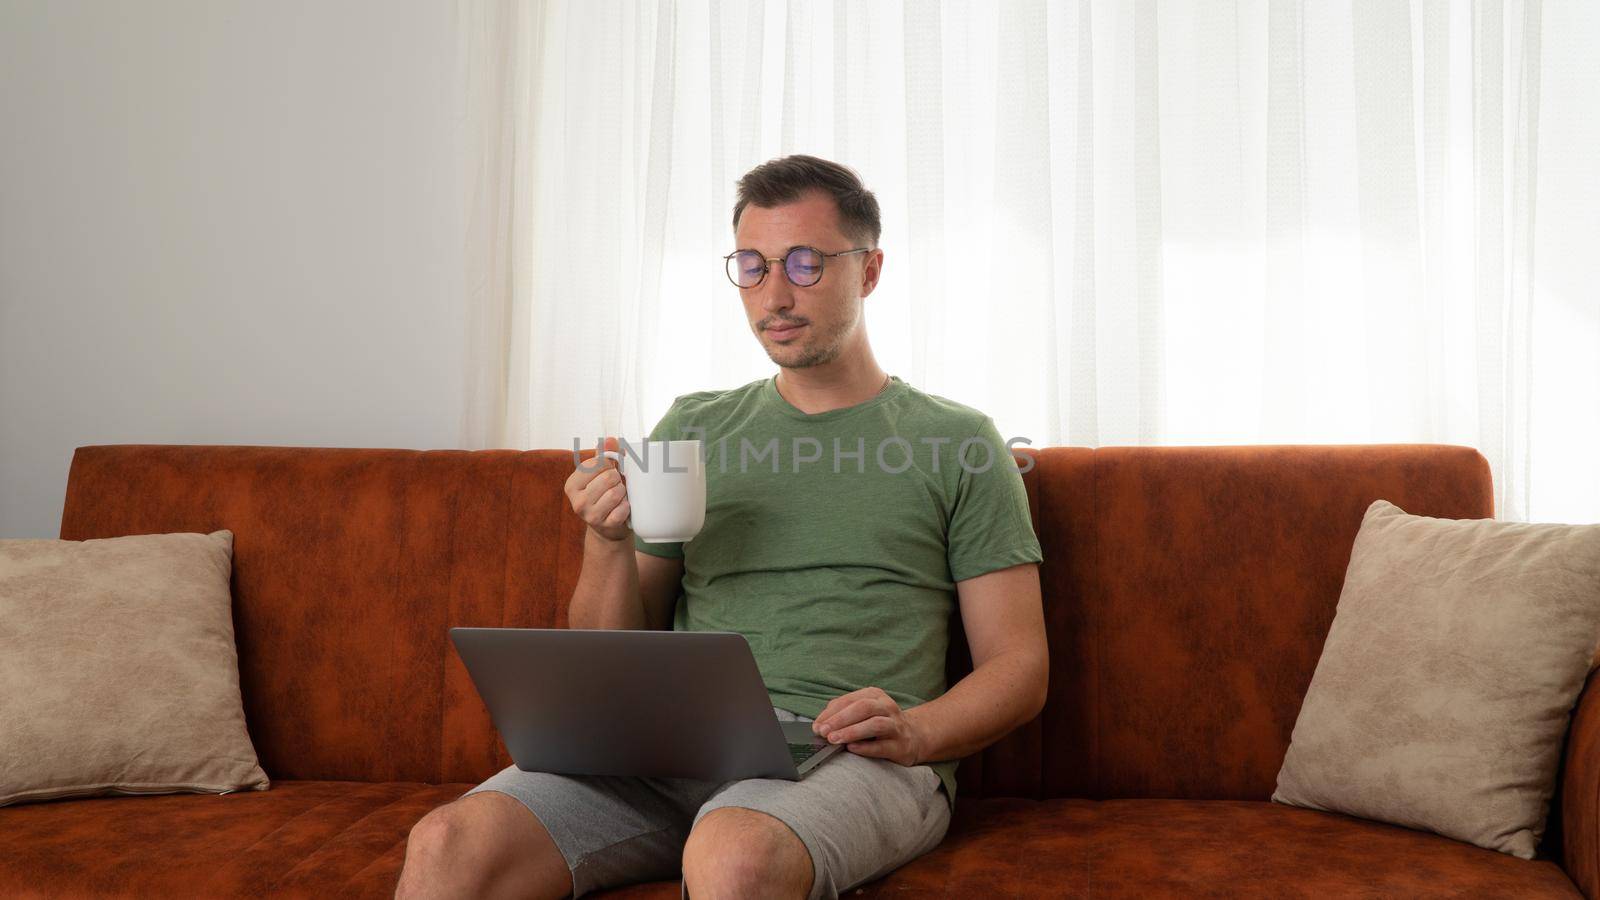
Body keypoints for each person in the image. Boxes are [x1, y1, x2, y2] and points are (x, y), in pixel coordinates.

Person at [396, 155, 1046, 900]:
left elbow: (1019, 666)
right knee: (447, 843)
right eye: (753, 265)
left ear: (868, 272)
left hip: (850, 755)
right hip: (665, 745)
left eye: (806, 264)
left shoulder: (958, 443)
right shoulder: (692, 428)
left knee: (733, 854)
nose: (776, 293)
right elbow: (610, 659)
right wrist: (605, 543)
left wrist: (919, 732)